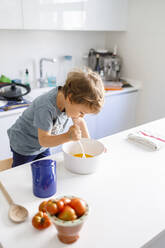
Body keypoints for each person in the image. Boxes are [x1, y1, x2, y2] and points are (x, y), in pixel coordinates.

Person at [7, 68, 105, 167]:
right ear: (70, 98)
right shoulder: (46, 107)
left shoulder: (70, 100)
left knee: (47, 169)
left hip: (42, 145)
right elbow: (44, 140)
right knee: (22, 174)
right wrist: (68, 136)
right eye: (81, 112)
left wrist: (91, 148)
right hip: (24, 144)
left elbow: (79, 121)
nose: (82, 116)